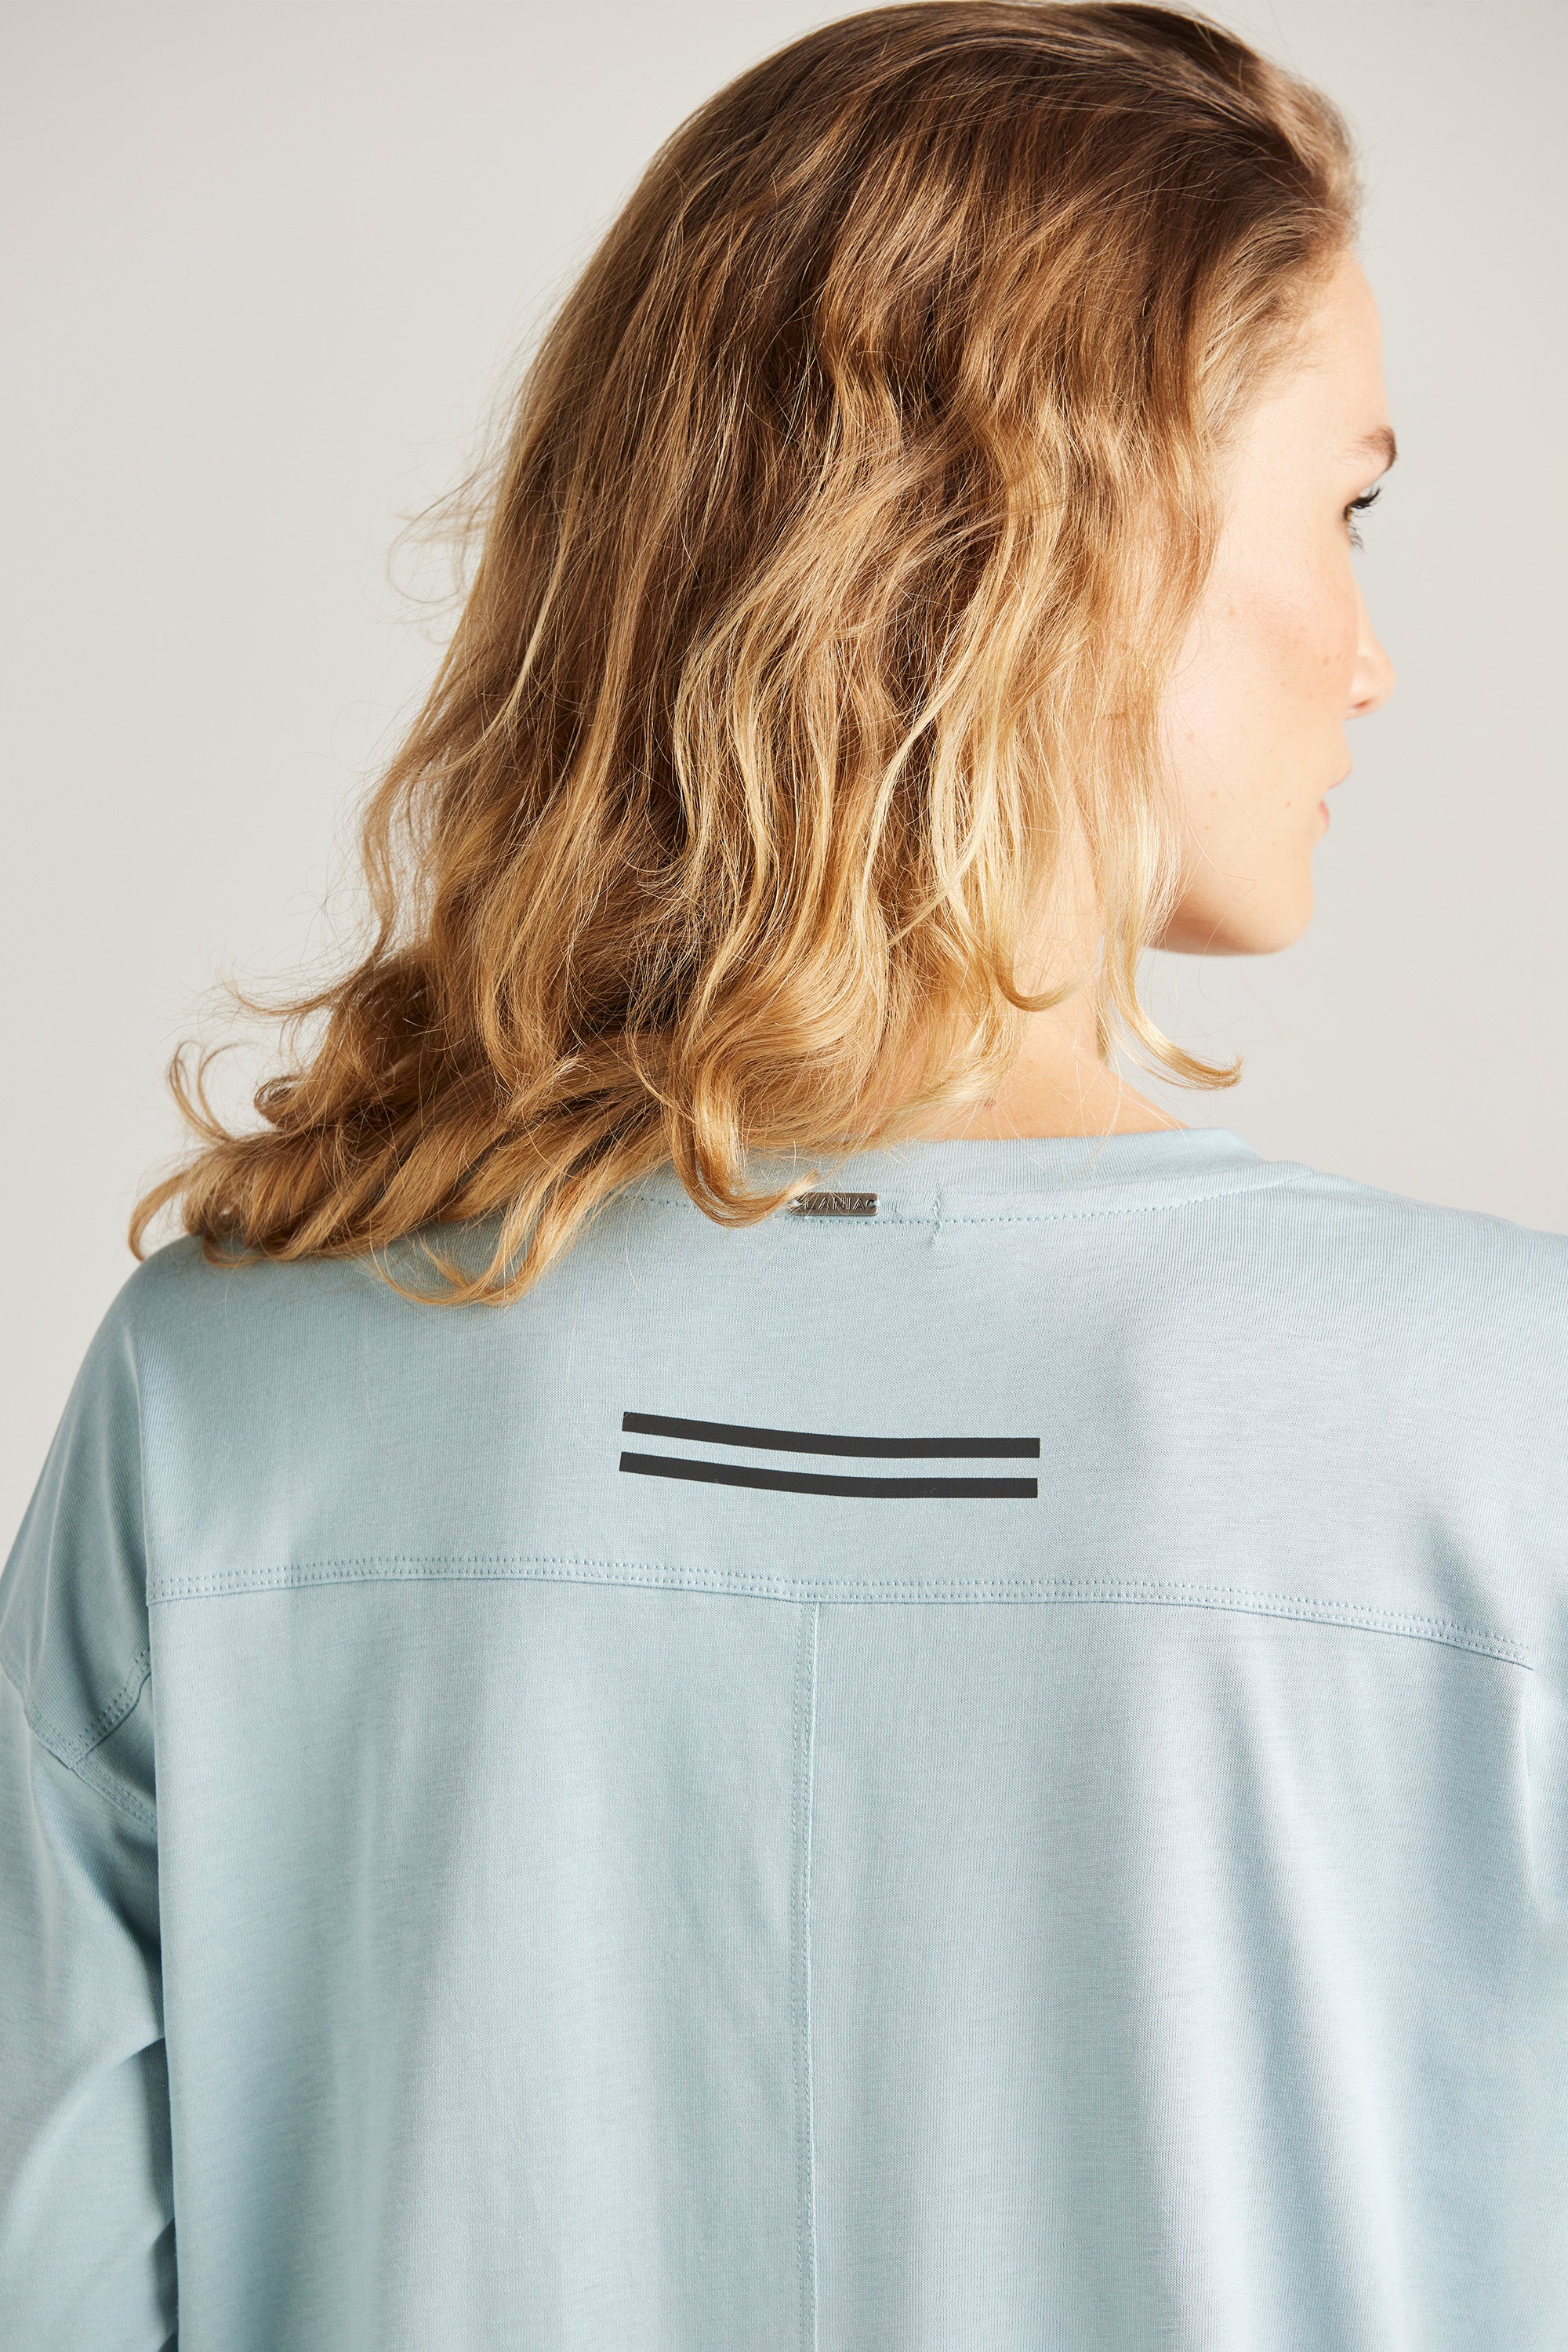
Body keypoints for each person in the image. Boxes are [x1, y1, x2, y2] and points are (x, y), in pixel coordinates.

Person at [2, 4, 1563, 2346]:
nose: (1372, 661)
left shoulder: (225, 1405)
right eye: (1345, 513)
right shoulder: (1510, 1423)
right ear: (1078, 539)